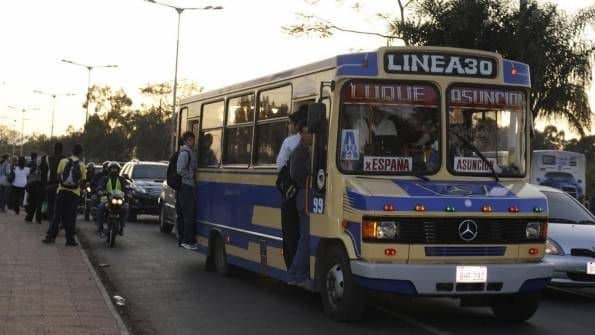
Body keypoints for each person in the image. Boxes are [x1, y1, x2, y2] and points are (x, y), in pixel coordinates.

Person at [276, 105, 307, 268]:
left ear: (296, 125)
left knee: (289, 232)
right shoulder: (313, 140)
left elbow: (279, 165)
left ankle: (292, 268)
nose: (288, 127)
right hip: (306, 194)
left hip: (290, 195)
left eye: (290, 123)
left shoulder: (290, 141)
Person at [43, 144, 87, 246]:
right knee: (70, 217)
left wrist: (63, 184)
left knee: (57, 215)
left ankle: (50, 237)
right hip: (74, 193)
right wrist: (78, 188)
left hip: (62, 191)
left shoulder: (63, 161)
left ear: (72, 151)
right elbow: (83, 181)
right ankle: (70, 240)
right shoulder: (82, 165)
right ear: (80, 153)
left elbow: (58, 175)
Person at [287, 121, 313, 286]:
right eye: (307, 133)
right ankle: (296, 274)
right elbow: (295, 174)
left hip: (309, 197)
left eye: (311, 133)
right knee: (306, 237)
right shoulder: (299, 152)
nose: (310, 135)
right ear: (302, 134)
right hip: (304, 197)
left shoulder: (311, 150)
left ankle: (299, 273)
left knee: (307, 236)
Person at [177, 131, 198, 250]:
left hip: (190, 186)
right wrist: (191, 175)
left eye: (193, 140)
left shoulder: (190, 152)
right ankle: (186, 241)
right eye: (190, 140)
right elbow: (179, 170)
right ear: (185, 141)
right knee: (188, 214)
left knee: (191, 214)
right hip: (186, 186)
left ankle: (189, 240)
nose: (193, 142)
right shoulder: (185, 153)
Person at [95, 162, 129, 235]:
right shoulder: (105, 178)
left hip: (119, 199)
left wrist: (128, 192)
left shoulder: (122, 179)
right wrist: (100, 191)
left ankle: (122, 227)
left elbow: (126, 187)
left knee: (125, 208)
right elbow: (100, 186)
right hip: (107, 199)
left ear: (118, 170)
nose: (114, 170)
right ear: (109, 169)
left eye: (115, 169)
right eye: (112, 168)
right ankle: (100, 227)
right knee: (100, 208)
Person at [40, 142, 65, 222]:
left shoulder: (49, 158)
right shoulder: (64, 159)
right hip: (60, 184)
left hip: (50, 183)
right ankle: (56, 221)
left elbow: (44, 170)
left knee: (50, 203)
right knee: (58, 204)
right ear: (61, 149)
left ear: (55, 149)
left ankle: (51, 221)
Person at [25, 152, 43, 223]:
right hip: (36, 183)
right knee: (34, 201)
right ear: (36, 157)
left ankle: (29, 216)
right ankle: (32, 217)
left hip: (29, 183)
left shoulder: (29, 163)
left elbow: (27, 173)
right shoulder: (38, 164)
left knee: (30, 200)